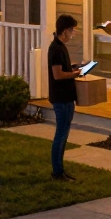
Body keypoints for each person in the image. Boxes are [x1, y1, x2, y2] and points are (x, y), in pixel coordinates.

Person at [48, 14, 81, 181]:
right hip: (61, 98)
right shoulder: (56, 49)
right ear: (65, 30)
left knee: (64, 134)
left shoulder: (61, 47)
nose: (73, 33)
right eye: (72, 30)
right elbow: (58, 75)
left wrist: (73, 67)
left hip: (67, 97)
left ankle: (60, 170)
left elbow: (62, 69)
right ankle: (57, 171)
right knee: (60, 134)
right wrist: (74, 74)